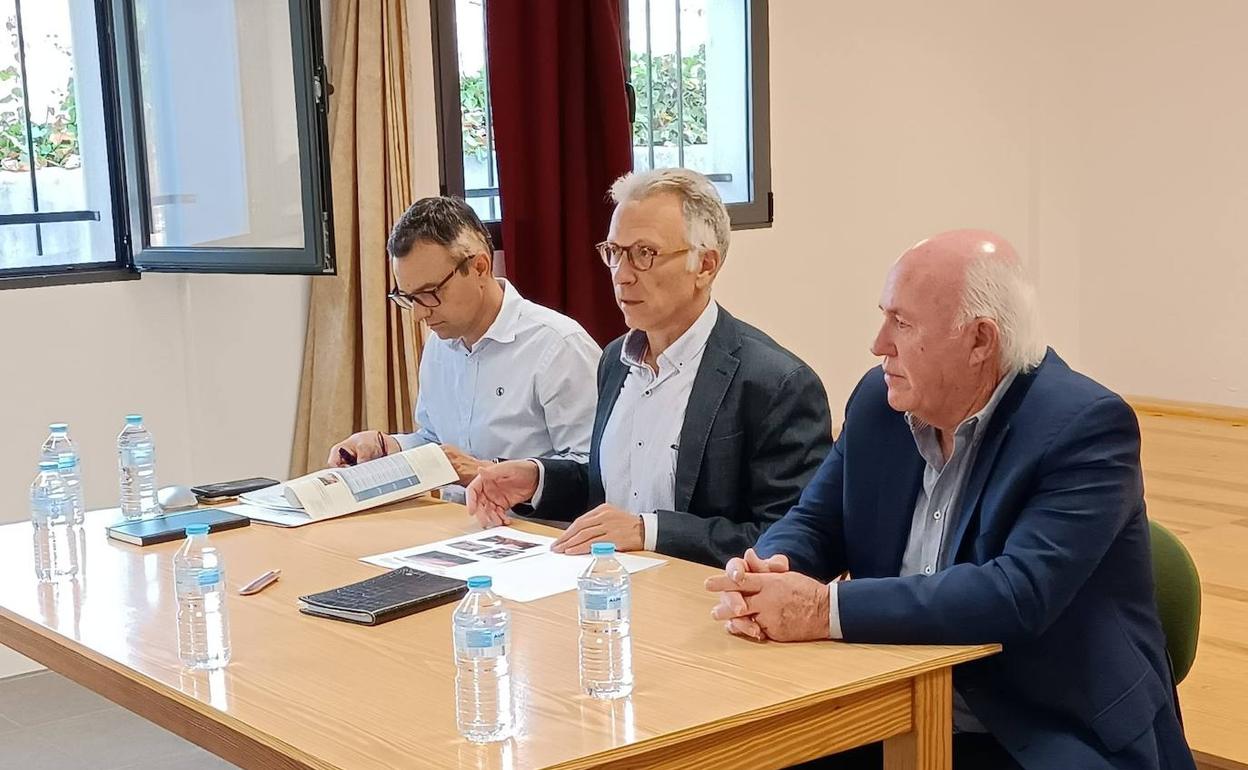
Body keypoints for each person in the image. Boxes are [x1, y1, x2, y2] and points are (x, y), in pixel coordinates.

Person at [706, 230, 1194, 770]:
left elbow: (1016, 593)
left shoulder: (1085, 427)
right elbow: (817, 522)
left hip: (1041, 726)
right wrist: (771, 569)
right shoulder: (880, 400)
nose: (878, 343)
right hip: (891, 706)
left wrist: (823, 610)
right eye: (883, 315)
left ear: (980, 340)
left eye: (903, 323)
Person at [466, 169, 832, 567]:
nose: (621, 276)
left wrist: (648, 531)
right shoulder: (615, 360)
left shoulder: (775, 384)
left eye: (645, 254)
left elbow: (789, 539)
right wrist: (538, 481)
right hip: (612, 589)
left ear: (705, 265)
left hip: (705, 605)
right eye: (614, 252)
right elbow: (614, 492)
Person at [328, 197, 601, 494]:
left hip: (534, 531)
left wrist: (486, 472)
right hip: (457, 527)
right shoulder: (439, 345)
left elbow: (594, 473)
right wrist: (386, 447)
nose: (419, 314)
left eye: (429, 292)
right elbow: (435, 442)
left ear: (480, 268)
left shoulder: (557, 346)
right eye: (408, 298)